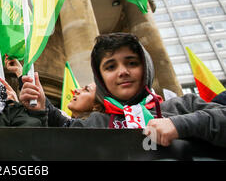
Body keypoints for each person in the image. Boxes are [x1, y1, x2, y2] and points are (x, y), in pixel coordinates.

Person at [20, 32, 226, 147]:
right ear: (101, 79)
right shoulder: (94, 123)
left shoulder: (183, 105)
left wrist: (179, 124)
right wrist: (42, 105)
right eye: (110, 67)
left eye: (132, 63)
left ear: (146, 68)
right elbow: (61, 131)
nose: (122, 72)